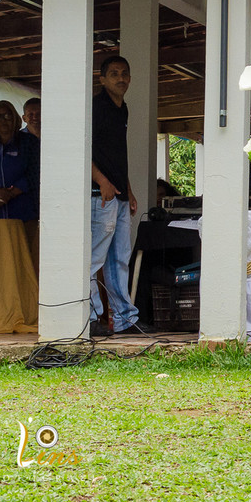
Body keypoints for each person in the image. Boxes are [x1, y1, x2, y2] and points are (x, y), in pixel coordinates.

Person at [89, 56, 149, 338]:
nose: (120, 78)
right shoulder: (95, 107)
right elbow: (82, 149)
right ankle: (88, 317)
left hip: (119, 193)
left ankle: (125, 318)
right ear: (102, 79)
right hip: (100, 194)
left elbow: (116, 154)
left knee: (120, 259)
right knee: (94, 259)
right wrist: (102, 181)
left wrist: (128, 189)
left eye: (125, 73)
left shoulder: (122, 108)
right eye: (113, 74)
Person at [0, 101, 40, 221]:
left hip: (24, 211)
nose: (3, 121)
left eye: (7, 116)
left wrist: (6, 197)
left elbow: (34, 174)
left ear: (15, 117)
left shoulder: (29, 142)